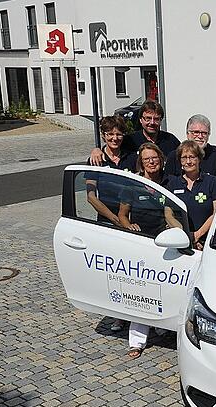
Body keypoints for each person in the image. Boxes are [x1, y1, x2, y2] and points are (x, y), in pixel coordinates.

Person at [118, 142, 183, 358]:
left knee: (164, 286)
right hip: (141, 244)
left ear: (161, 159)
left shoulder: (171, 181)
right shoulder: (133, 185)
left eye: (155, 158)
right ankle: (136, 341)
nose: (152, 162)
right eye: (147, 159)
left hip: (167, 243)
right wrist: (129, 226)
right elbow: (122, 214)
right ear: (141, 162)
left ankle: (163, 327)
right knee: (140, 291)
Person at [84, 116, 137, 333]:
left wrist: (126, 220)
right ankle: (117, 315)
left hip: (131, 220)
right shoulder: (96, 160)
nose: (115, 138)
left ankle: (135, 312)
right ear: (104, 136)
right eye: (110, 134)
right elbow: (91, 196)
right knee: (113, 272)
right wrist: (115, 219)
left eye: (118, 134)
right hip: (108, 221)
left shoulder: (130, 157)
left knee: (132, 270)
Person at [167, 140, 216, 250]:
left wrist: (197, 235)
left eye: (192, 157)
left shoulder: (212, 182)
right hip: (181, 242)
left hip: (207, 242)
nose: (188, 161)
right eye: (184, 157)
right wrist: (185, 235)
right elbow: (168, 214)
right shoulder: (173, 184)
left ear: (199, 159)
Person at [89, 100, 181, 165]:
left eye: (156, 119)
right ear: (141, 120)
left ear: (161, 120)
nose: (152, 123)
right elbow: (113, 145)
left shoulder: (170, 140)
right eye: (148, 118)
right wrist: (97, 150)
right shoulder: (130, 140)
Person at [166, 114, 216, 188]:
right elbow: (168, 182)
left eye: (204, 133)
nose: (200, 136)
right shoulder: (174, 155)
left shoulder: (215, 153)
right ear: (187, 134)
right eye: (196, 132)